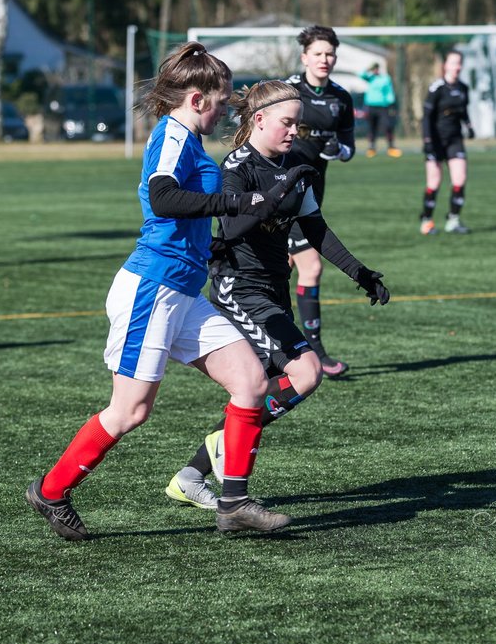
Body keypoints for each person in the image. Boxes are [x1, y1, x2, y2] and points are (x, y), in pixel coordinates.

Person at [25, 42, 313, 541]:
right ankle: (50, 491)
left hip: (183, 292)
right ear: (197, 99)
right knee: (131, 410)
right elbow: (162, 197)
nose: (227, 109)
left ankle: (235, 502)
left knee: (249, 381)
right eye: (222, 100)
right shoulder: (173, 135)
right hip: (152, 289)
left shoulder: (191, 143)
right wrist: (243, 198)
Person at [165, 80, 390, 508]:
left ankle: (191, 476)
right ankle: (224, 455)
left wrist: (359, 272)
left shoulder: (289, 165)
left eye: (298, 125)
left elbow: (316, 231)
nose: (293, 132)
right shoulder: (236, 166)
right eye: (287, 123)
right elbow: (233, 229)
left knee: (263, 389)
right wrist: (280, 190)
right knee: (306, 372)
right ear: (259, 119)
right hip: (239, 287)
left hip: (272, 289)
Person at [284, 25, 356, 378]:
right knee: (310, 266)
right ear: (304, 57)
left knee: (279, 269)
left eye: (329, 54)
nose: (324, 59)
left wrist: (336, 149)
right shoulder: (287, 91)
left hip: (312, 194)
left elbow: (349, 148)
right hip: (281, 193)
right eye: (318, 53)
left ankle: (275, 350)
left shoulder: (341, 98)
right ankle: (315, 353)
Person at [421, 49, 474, 235]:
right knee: (434, 182)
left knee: (460, 180)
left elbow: (463, 111)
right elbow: (426, 117)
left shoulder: (463, 88)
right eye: (453, 63)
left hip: (455, 139)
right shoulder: (437, 88)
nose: (457, 67)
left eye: (459, 63)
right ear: (446, 66)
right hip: (435, 140)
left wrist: (469, 125)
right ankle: (426, 221)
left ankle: (453, 220)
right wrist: (427, 140)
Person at [360, 62, 400, 157]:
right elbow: (361, 74)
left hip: (383, 106)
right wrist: (369, 69)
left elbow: (389, 92)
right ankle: (371, 148)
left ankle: (391, 147)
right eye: (374, 69)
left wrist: (391, 104)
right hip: (370, 106)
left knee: (388, 126)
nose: (375, 70)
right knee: (371, 128)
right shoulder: (370, 78)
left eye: (376, 68)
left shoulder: (385, 78)